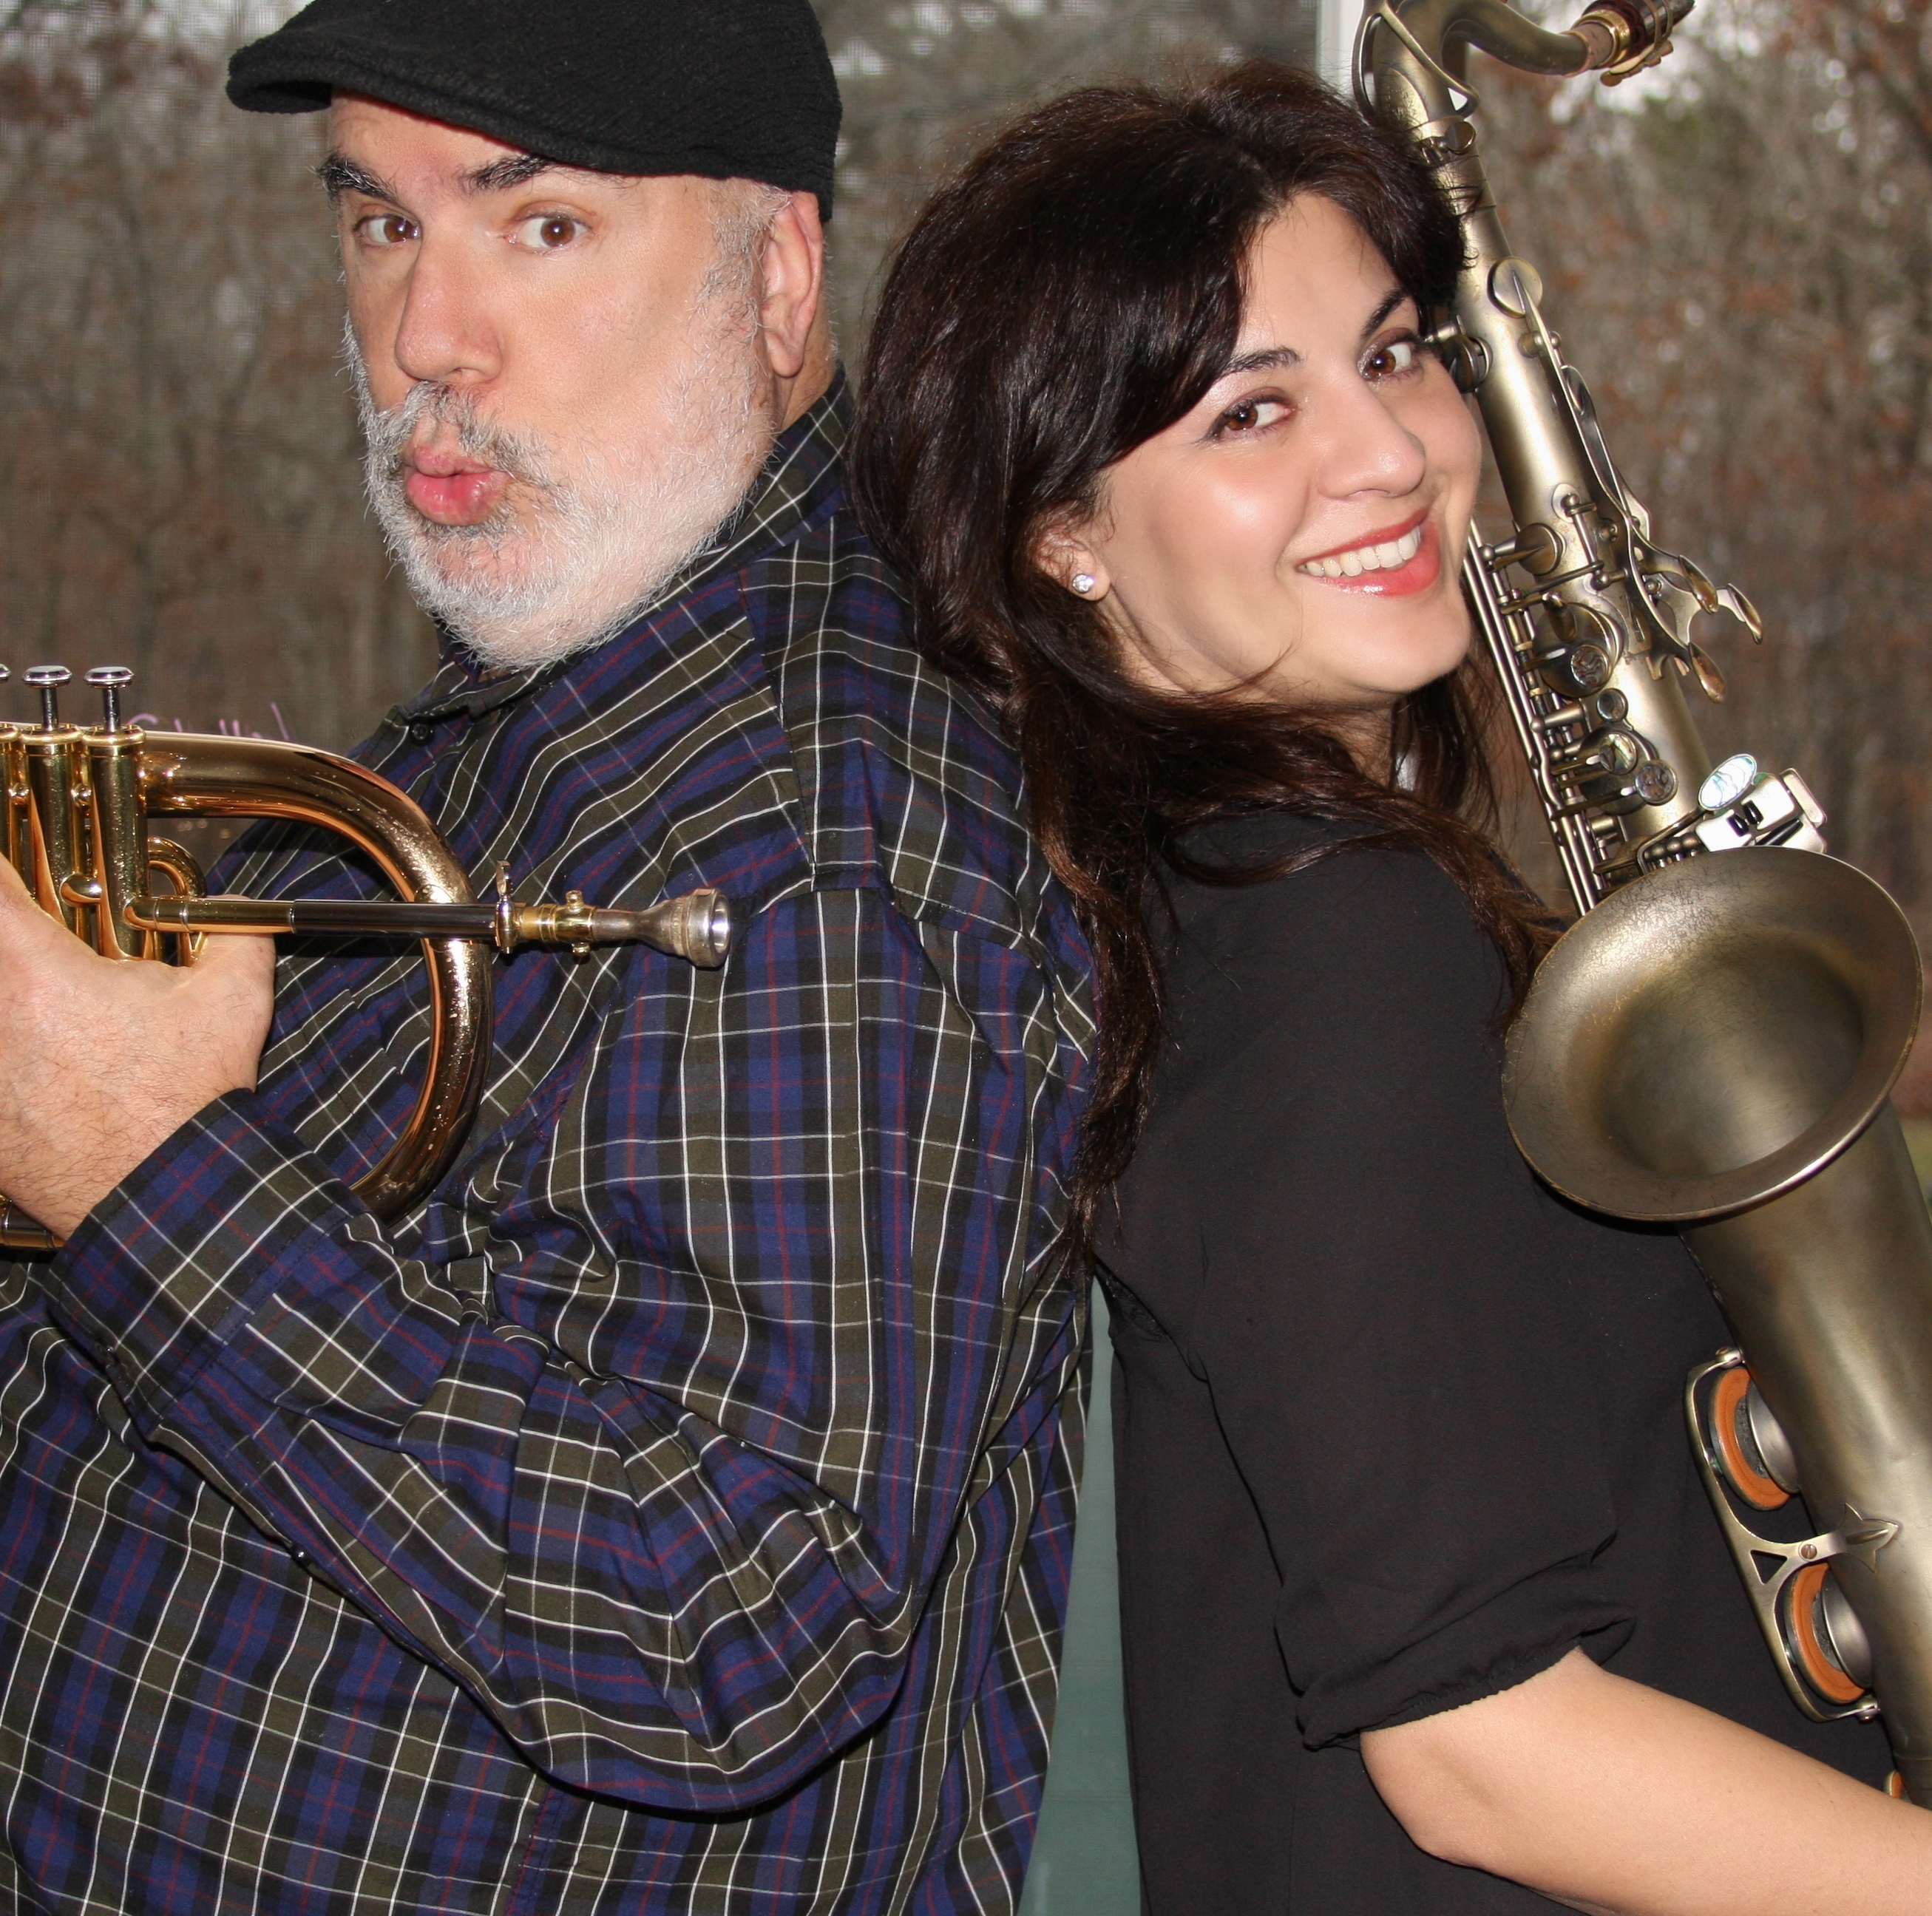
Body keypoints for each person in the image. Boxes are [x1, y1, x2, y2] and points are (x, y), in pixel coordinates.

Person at [0, 4, 1091, 1911]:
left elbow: (726, 1625)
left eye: (542, 225)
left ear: (779, 281)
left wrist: (130, 1166)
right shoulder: (557, 693)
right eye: (381, 222)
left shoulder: (819, 832)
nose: (426, 335)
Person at [853, 61, 1932, 1915]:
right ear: (1061, 533)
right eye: (1249, 411)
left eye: (1392, 354)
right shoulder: (1325, 934)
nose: (1389, 455)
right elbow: (1480, 1749)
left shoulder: (1218, 904)